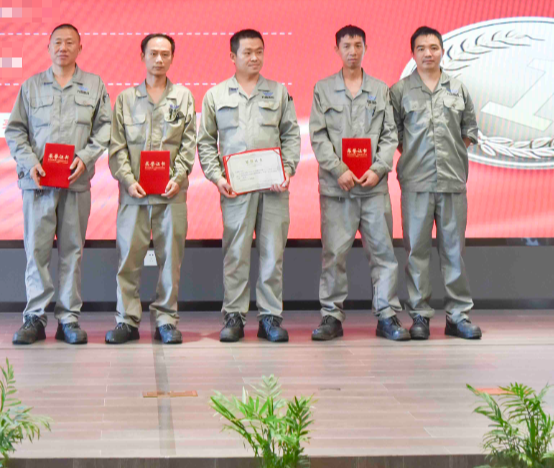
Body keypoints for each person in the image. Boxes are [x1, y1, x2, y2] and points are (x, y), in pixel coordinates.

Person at [5, 23, 112, 346]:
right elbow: (15, 131)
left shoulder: (94, 85)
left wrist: (86, 157)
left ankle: (68, 319)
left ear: (80, 47)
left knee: (72, 252)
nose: (63, 47)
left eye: (70, 42)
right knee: (36, 252)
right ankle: (35, 317)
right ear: (48, 47)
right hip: (37, 184)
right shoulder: (31, 86)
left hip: (75, 183)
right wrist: (30, 163)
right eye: (57, 42)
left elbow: (104, 128)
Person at [197, 29, 301, 343]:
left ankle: (270, 317)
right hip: (235, 190)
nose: (254, 58)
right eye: (247, 52)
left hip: (273, 190)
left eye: (259, 52)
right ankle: (234, 316)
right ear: (233, 56)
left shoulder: (278, 92)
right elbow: (205, 142)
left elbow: (291, 135)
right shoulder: (216, 95)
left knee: (272, 254)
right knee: (236, 254)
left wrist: (287, 170)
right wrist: (217, 178)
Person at [309, 26, 411, 342]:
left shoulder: (380, 89)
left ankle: (387, 315)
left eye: (358, 45)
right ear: (336, 49)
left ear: (365, 48)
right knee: (334, 255)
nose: (352, 51)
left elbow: (390, 135)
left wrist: (379, 169)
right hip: (337, 189)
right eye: (346, 46)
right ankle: (331, 316)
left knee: (383, 254)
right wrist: (338, 169)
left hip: (373, 188)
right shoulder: (323, 89)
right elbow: (318, 136)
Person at [390, 26, 482, 340]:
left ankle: (458, 316)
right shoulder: (400, 91)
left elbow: (469, 131)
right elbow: (395, 136)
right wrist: (418, 156)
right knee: (416, 252)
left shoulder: (458, 88)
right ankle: (420, 316)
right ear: (413, 53)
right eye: (421, 48)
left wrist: (449, 156)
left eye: (433, 47)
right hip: (416, 182)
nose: (428, 53)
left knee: (454, 252)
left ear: (442, 50)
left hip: (452, 181)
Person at [105, 34, 197, 345]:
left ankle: (166, 320)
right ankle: (126, 320)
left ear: (172, 58)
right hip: (134, 195)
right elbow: (117, 146)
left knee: (170, 261)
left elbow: (189, 143)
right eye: (153, 53)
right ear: (142, 56)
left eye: (165, 54)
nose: (159, 59)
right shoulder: (125, 99)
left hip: (172, 195)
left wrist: (179, 176)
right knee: (128, 259)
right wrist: (127, 179)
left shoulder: (183, 97)